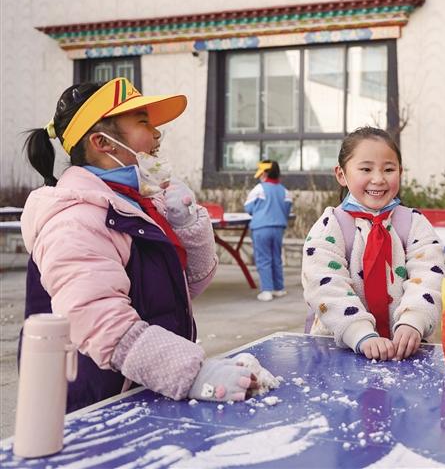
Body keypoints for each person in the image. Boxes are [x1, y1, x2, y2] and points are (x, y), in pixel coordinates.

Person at [21, 78, 274, 411]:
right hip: (94, 405)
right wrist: (192, 372)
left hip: (145, 389)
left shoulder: (135, 203)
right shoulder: (75, 219)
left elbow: (185, 287)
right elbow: (99, 320)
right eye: (143, 122)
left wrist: (187, 225)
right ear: (102, 142)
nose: (157, 134)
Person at [302, 126, 445, 361]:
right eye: (366, 169)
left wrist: (413, 321)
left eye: (389, 169)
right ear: (341, 174)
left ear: (400, 172)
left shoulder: (414, 223)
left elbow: (430, 275)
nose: (378, 179)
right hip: (339, 353)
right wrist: (359, 333)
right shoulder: (330, 226)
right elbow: (324, 284)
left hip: (404, 350)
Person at [244, 160, 292, 302]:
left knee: (263, 258)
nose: (259, 177)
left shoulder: (259, 189)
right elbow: (287, 210)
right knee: (276, 257)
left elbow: (248, 208)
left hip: (261, 228)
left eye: (261, 174)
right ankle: (279, 288)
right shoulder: (285, 191)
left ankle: (266, 291)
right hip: (278, 228)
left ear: (265, 174)